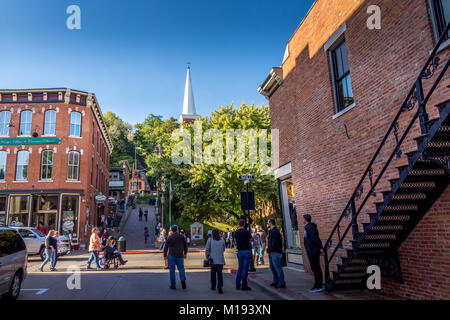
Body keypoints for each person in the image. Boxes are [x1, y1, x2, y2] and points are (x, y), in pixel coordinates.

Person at [303, 214, 324, 292]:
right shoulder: (309, 227)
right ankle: (318, 284)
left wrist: (320, 247)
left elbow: (315, 238)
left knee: (315, 267)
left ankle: (318, 286)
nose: (303, 221)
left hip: (313, 251)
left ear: (305, 220)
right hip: (312, 250)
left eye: (303, 219)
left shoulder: (309, 227)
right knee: (315, 267)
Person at [163, 225, 188, 290]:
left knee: (172, 270)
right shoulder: (182, 236)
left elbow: (165, 247)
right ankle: (182, 279)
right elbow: (185, 246)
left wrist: (165, 255)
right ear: (177, 229)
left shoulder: (169, 237)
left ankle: (173, 285)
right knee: (181, 268)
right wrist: (185, 253)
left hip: (171, 255)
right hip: (180, 255)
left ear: (171, 230)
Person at [233, 219, 253, 290]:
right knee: (245, 269)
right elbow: (251, 239)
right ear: (244, 224)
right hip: (246, 251)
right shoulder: (246, 232)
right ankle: (244, 285)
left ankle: (237, 284)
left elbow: (235, 242)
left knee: (240, 268)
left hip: (240, 251)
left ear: (239, 224)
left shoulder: (235, 233)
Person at [205, 228, 226, 294]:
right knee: (220, 274)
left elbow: (207, 249)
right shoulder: (222, 240)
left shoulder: (210, 240)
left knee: (213, 273)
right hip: (220, 260)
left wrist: (207, 256)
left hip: (212, 260)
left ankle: (213, 285)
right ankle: (220, 286)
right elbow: (223, 249)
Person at [267, 219, 286, 288]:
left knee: (278, 267)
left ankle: (282, 282)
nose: (267, 224)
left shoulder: (275, 231)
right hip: (271, 252)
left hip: (275, 252)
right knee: (272, 268)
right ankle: (275, 281)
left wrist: (271, 249)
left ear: (271, 223)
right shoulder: (271, 231)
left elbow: (275, 242)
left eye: (268, 222)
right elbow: (270, 241)